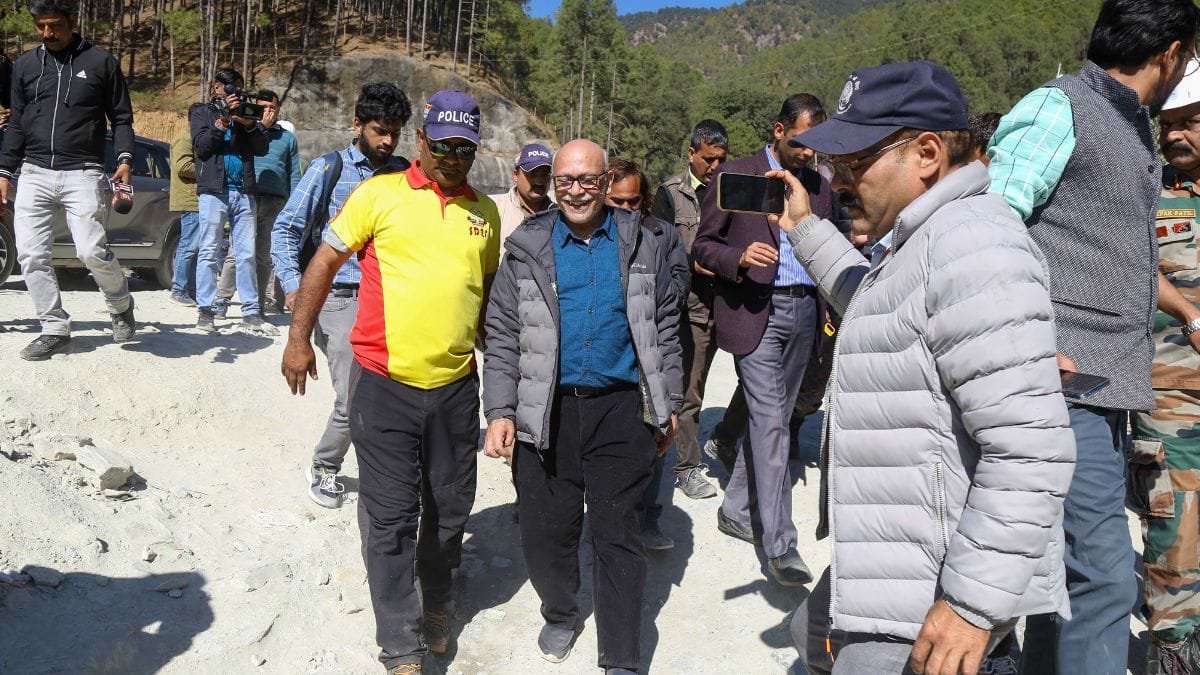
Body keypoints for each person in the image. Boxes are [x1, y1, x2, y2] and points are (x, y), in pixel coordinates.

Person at [777, 60, 1075, 675]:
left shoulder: (973, 247)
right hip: (899, 574)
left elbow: (1031, 448)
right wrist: (805, 228)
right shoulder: (932, 237)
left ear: (928, 153)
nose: (840, 180)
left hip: (926, 609)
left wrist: (970, 603)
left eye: (855, 162)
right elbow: (876, 307)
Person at [987, 1, 1200, 671]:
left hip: (1104, 390)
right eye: (1189, 57)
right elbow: (986, 229)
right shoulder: (1062, 107)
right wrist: (1026, 337)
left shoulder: (1128, 127)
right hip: (1061, 383)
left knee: (1063, 582)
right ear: (1169, 52)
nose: (1186, 70)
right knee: (1106, 577)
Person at [281, 89, 498, 672]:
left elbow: (484, 299)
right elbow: (323, 262)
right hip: (384, 386)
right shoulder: (378, 194)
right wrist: (299, 338)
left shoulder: (486, 213)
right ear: (421, 141)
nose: (453, 157)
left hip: (455, 388)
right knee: (392, 515)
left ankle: (438, 602)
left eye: (465, 148)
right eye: (443, 145)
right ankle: (399, 643)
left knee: (450, 507)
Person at [482, 139, 682, 675]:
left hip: (621, 408)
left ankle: (620, 654)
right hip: (546, 410)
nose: (575, 190)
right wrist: (500, 409)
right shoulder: (526, 246)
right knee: (548, 529)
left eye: (587, 180)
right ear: (554, 183)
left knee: (619, 533)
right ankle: (561, 611)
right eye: (565, 180)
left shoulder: (643, 242)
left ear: (604, 181)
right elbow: (501, 333)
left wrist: (669, 402)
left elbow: (665, 325)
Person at [692, 94, 839, 586]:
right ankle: (781, 546)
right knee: (771, 423)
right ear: (779, 130)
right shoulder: (736, 175)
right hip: (753, 311)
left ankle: (736, 510)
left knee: (772, 419)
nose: (809, 152)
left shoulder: (819, 185)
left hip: (804, 312)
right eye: (802, 141)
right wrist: (737, 259)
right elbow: (703, 246)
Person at [272, 82, 412, 510]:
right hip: (339, 298)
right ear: (357, 126)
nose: (386, 141)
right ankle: (325, 465)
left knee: (398, 391)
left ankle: (388, 470)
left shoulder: (405, 174)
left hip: (392, 298)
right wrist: (296, 287)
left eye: (394, 131)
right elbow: (285, 229)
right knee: (355, 395)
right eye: (377, 130)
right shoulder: (327, 169)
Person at [0, 0, 137, 361]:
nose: (47, 33)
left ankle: (121, 302)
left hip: (84, 171)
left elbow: (121, 118)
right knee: (30, 254)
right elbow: (16, 122)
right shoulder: (27, 65)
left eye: (55, 26)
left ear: (72, 22)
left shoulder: (100, 62)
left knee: (90, 251)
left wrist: (124, 160)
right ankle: (54, 328)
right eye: (41, 26)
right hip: (33, 171)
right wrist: (3, 170)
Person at [1132, 68, 1200, 674]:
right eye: (1169, 123)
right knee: (1175, 534)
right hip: (1171, 397)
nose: (1176, 133)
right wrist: (1190, 314)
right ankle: (1173, 651)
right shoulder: (1147, 194)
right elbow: (1128, 266)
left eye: (1191, 121)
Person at [607, 157, 690, 551]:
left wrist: (650, 294)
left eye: (633, 202)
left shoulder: (664, 235)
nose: (625, 210)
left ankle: (647, 520)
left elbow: (679, 281)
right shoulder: (592, 236)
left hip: (651, 351)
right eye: (616, 202)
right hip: (609, 356)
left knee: (655, 433)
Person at [651, 119, 728, 500]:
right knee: (689, 389)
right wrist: (691, 259)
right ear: (692, 154)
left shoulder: (731, 191)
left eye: (721, 160)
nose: (715, 167)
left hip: (728, 305)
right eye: (708, 160)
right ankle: (685, 467)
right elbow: (660, 248)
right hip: (689, 307)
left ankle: (725, 441)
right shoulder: (669, 194)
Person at [190, 67, 270, 334]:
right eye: (230, 87)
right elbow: (202, 148)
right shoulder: (202, 112)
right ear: (217, 88)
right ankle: (205, 309)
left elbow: (261, 148)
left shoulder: (245, 114)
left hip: (244, 191)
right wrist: (223, 118)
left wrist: (249, 127)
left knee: (246, 253)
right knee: (209, 251)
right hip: (213, 191)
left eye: (238, 86)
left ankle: (251, 311)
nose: (235, 91)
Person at [216, 90, 299, 316]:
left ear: (278, 109)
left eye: (272, 108)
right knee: (237, 253)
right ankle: (221, 300)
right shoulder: (246, 129)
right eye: (262, 107)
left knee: (264, 256)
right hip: (248, 197)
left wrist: (293, 206)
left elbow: (293, 174)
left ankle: (258, 305)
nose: (268, 112)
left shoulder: (288, 138)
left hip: (275, 203)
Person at [490, 142, 553, 247]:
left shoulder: (559, 214)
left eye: (545, 174)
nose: (539, 180)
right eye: (533, 174)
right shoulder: (493, 208)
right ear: (515, 175)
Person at [168, 125, 200, 306]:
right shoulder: (185, 137)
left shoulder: (195, 136)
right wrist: (210, 170)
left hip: (197, 198)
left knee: (196, 247)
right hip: (190, 199)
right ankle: (178, 290)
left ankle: (191, 290)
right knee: (188, 245)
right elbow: (182, 166)